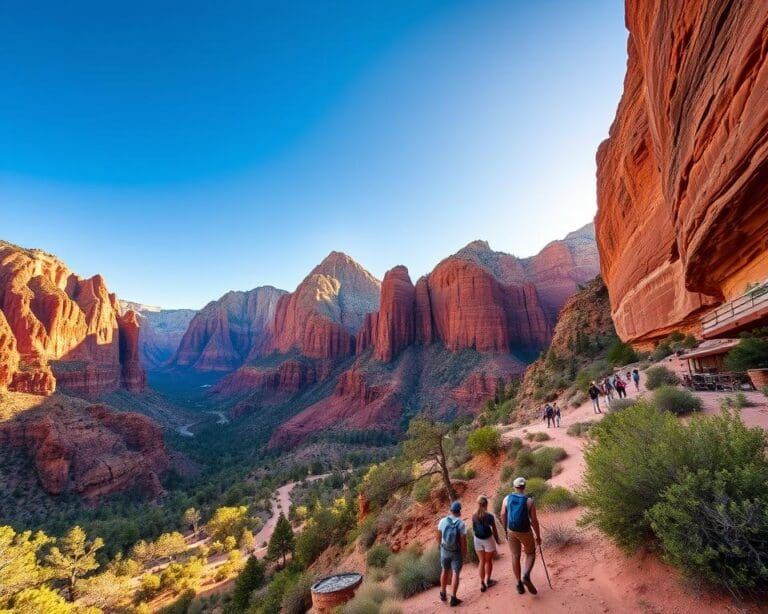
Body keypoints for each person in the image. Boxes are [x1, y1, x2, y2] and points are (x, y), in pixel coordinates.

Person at [500, 477, 542, 596]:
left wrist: (506, 530)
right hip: (525, 531)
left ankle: (519, 584)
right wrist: (538, 536)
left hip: (511, 530)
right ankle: (526, 575)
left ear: (514, 487)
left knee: (515, 555)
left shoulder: (507, 499)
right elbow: (534, 521)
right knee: (530, 553)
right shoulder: (529, 501)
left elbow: (503, 514)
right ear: (524, 487)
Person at [437, 501, 468, 606]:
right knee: (455, 573)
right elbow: (463, 540)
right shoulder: (461, 524)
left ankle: (443, 593)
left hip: (444, 550)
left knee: (444, 570)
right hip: (456, 552)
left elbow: (439, 535)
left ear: (451, 510)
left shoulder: (442, 521)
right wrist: (464, 553)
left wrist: (440, 546)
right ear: (459, 512)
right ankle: (453, 598)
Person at [472, 495, 502, 592]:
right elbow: (494, 529)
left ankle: (482, 583)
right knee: (488, 561)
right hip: (488, 539)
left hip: (477, 539)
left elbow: (474, 528)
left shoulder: (474, 515)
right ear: (486, 504)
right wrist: (497, 540)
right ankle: (488, 580)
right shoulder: (489, 516)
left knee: (481, 561)